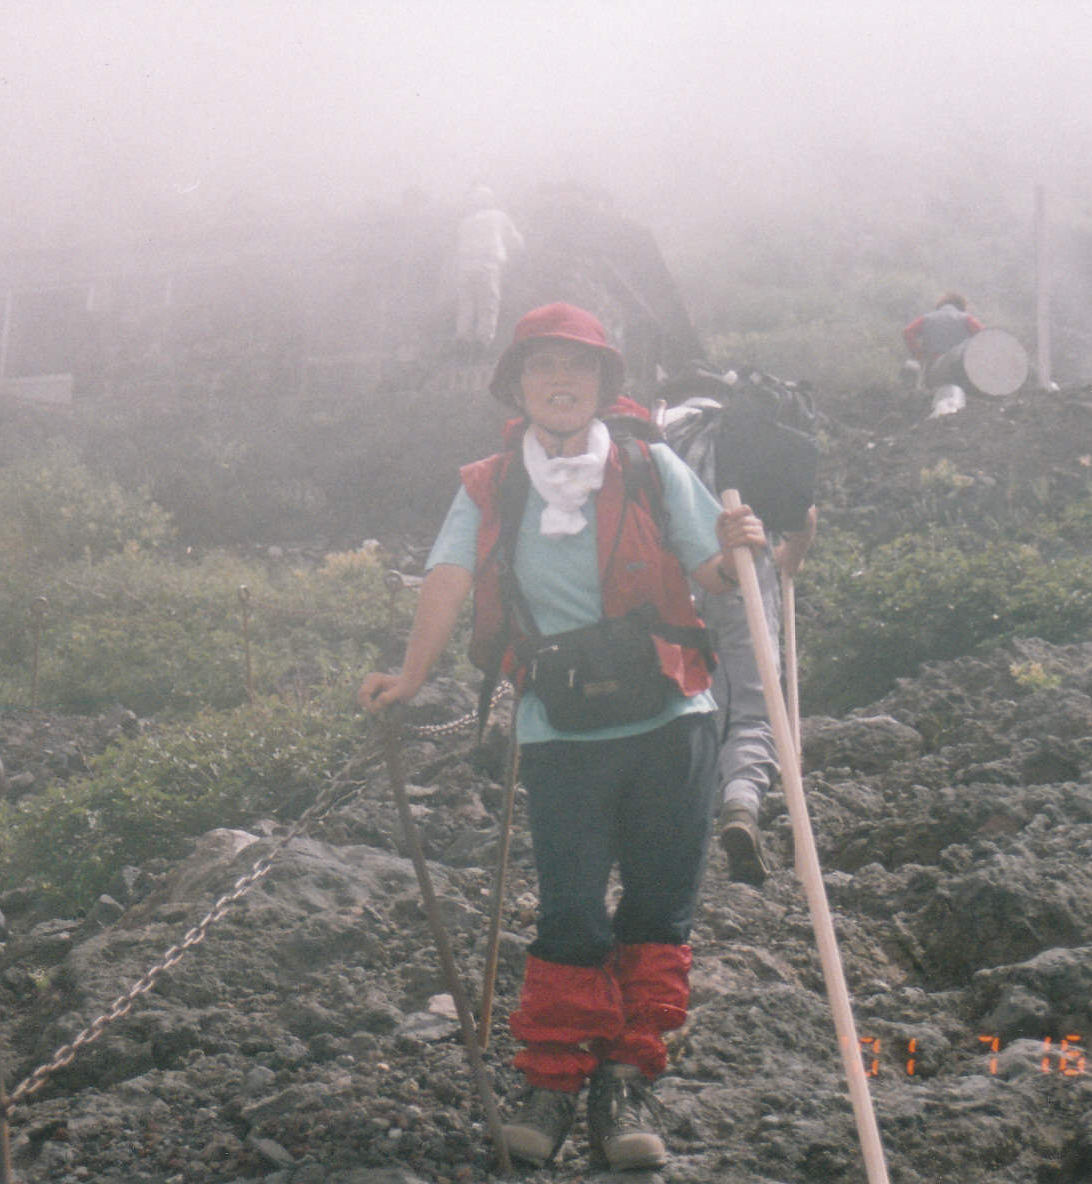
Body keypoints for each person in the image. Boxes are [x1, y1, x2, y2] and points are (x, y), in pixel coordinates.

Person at [359, 303, 765, 1170]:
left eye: (578, 366)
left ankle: (627, 1080)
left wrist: (746, 549)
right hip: (561, 728)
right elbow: (448, 575)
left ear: (603, 385)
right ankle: (552, 1082)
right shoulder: (492, 483)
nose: (560, 381)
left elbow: (714, 572)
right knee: (571, 911)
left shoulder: (649, 465)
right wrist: (413, 675)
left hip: (672, 719)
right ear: (517, 387)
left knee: (658, 909)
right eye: (542, 366)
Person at [693, 503, 816, 885]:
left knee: (691, 706)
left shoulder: (668, 462)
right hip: (742, 580)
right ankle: (741, 804)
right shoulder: (754, 461)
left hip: (677, 584)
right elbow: (802, 511)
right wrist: (793, 553)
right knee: (753, 716)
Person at [453, 186, 524, 360]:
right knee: (488, 304)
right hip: (488, 265)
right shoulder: (499, 216)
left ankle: (463, 341)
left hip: (465, 266)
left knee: (466, 306)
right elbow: (516, 240)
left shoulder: (465, 222)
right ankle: (482, 343)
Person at [902, 292, 984, 386]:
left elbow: (908, 332)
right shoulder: (967, 319)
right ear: (962, 306)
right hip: (959, 369)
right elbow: (984, 337)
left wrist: (920, 357)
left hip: (933, 367)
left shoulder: (926, 318)